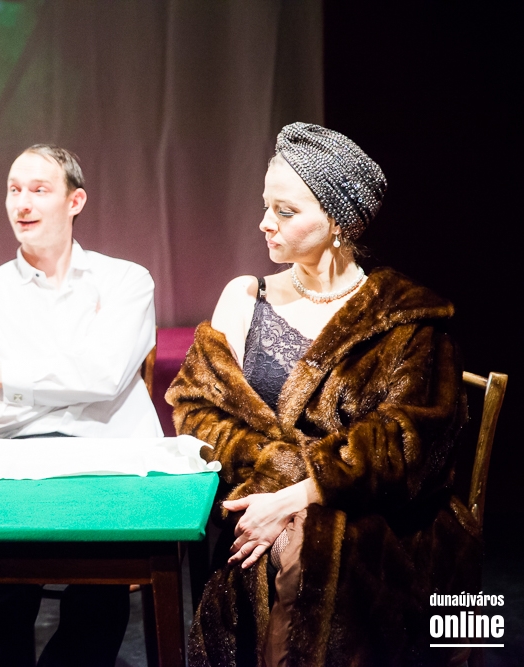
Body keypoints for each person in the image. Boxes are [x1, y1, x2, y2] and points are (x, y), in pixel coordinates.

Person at [165, 123, 480, 666]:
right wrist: (279, 486)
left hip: (382, 521)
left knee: (316, 548)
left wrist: (301, 496)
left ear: (339, 221)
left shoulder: (406, 316)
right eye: (266, 206)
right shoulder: (246, 297)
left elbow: (408, 443)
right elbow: (197, 411)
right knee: (292, 546)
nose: (265, 222)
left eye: (285, 211)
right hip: (258, 501)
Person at [0, 144, 162, 666]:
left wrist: (6, 373)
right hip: (17, 459)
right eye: (13, 189)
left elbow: (107, 375)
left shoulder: (126, 281)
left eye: (39, 190)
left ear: (75, 201)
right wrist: (80, 386)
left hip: (108, 463)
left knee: (100, 593)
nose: (22, 203)